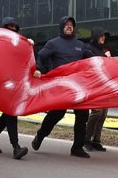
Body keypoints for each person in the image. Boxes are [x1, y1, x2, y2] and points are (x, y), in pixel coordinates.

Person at [32, 16, 97, 158]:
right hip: (61, 86)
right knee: (57, 114)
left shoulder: (80, 45)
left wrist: (109, 61)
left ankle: (77, 148)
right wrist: (38, 69)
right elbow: (41, 57)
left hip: (77, 87)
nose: (69, 26)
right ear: (61, 26)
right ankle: (40, 135)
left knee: (82, 115)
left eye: (71, 25)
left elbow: (93, 59)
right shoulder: (53, 43)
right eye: (66, 24)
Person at [0, 17, 38, 160]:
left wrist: (29, 45)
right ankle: (16, 147)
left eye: (14, 27)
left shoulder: (19, 44)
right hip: (1, 83)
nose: (12, 30)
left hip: (14, 83)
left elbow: (24, 61)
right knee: (11, 112)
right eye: (9, 27)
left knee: (8, 113)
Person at [83, 27, 112, 152]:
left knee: (103, 113)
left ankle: (96, 140)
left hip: (103, 85)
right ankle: (86, 139)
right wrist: (106, 57)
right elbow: (94, 62)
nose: (103, 38)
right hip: (92, 85)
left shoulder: (102, 50)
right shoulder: (88, 49)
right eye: (101, 35)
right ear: (95, 36)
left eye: (104, 36)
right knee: (97, 112)